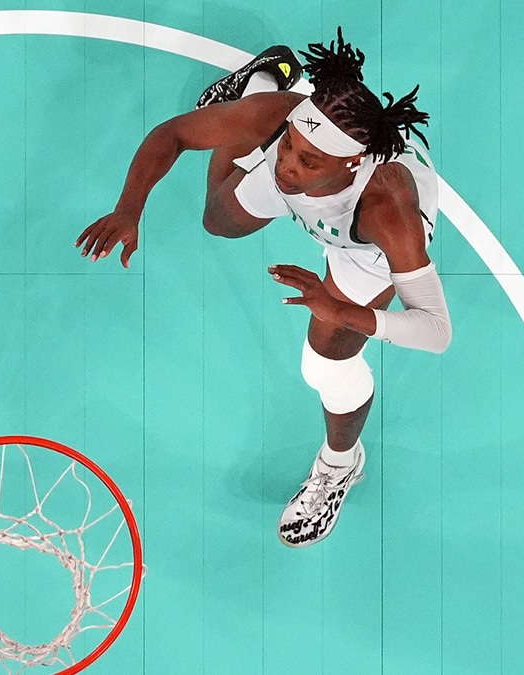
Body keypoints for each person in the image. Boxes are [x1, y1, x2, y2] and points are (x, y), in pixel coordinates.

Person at [75, 29, 451, 548]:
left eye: (307, 160)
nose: (288, 164)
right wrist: (129, 208)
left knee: (324, 364)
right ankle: (263, 79)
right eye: (290, 146)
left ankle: (339, 464)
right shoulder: (284, 121)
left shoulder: (389, 216)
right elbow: (173, 134)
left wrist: (340, 312)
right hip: (316, 198)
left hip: (360, 251)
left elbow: (435, 330)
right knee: (219, 220)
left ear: (349, 162)